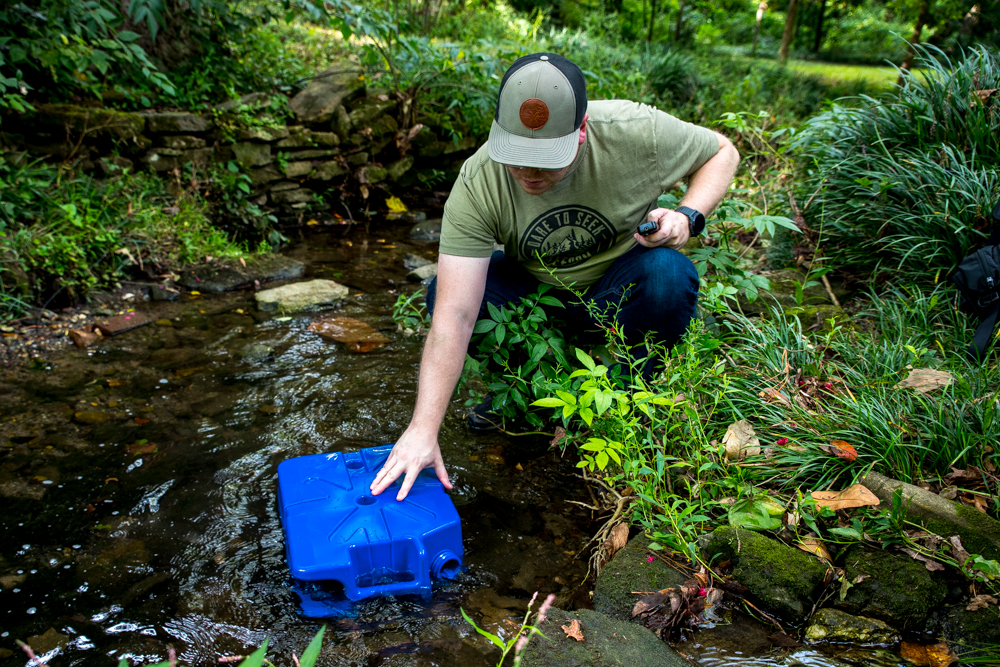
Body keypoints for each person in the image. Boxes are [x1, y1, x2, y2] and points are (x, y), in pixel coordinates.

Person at [371, 53, 740, 501]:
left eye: (546, 160)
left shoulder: (636, 133)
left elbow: (723, 151)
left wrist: (688, 214)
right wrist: (421, 431)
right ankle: (527, 395)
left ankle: (629, 401)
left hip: (619, 288)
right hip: (535, 301)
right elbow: (456, 314)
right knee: (444, 295)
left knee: (668, 273)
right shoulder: (478, 180)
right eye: (517, 157)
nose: (528, 173)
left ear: (581, 130)